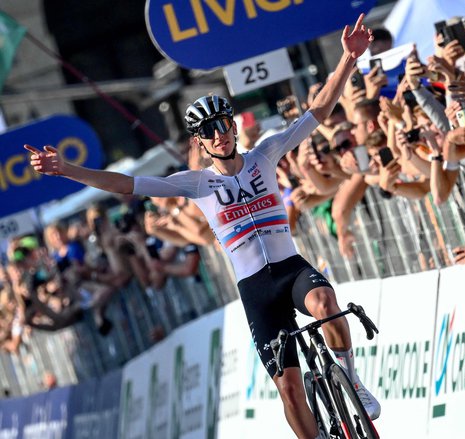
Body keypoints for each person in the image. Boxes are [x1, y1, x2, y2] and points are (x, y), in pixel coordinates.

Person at [25, 14, 379, 439]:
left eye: (225, 123)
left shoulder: (265, 153)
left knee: (326, 301)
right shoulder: (196, 183)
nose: (222, 134)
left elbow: (318, 111)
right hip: (256, 290)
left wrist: (346, 59)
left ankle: (351, 378)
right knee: (288, 388)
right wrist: (68, 170)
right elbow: (125, 183)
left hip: (290, 269)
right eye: (210, 130)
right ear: (200, 141)